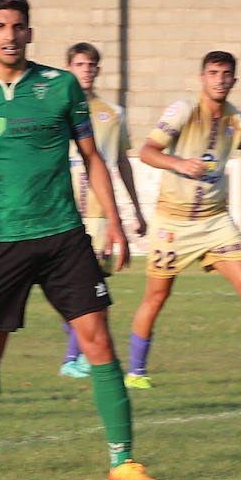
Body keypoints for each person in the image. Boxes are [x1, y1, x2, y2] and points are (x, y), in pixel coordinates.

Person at [0, 0, 159, 480]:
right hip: (2, 241)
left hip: (64, 237)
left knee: (98, 341)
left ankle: (123, 461)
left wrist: (119, 224)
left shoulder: (60, 87)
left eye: (18, 26)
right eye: (0, 26)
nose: (10, 35)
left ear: (30, 33)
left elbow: (93, 158)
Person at [125, 51, 241, 391]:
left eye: (226, 74)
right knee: (156, 297)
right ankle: (135, 372)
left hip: (215, 221)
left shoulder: (238, 121)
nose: (219, 79)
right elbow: (147, 152)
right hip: (173, 223)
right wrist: (178, 163)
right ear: (202, 77)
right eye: (213, 73)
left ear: (234, 80)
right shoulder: (183, 110)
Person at [57, 42, 146, 379]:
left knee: (93, 286)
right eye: (80, 64)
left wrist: (135, 210)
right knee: (75, 286)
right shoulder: (57, 109)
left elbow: (121, 162)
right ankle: (74, 356)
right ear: (69, 68)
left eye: (92, 65)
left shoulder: (113, 114)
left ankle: (75, 357)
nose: (86, 70)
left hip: (99, 213)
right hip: (66, 210)